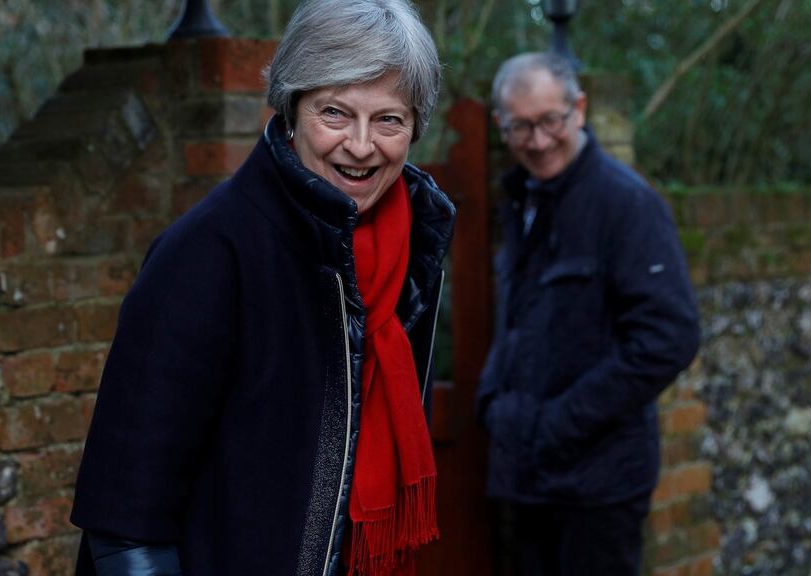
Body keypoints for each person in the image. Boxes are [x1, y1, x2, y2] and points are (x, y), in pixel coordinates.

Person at [69, 1, 454, 574]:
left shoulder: (408, 247)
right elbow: (126, 520)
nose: (361, 145)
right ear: (291, 107)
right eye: (335, 113)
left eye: (389, 120)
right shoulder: (206, 252)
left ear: (415, 128)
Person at [475, 52, 700, 576]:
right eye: (520, 127)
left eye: (549, 121)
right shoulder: (523, 199)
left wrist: (557, 423)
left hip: (601, 483)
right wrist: (492, 398)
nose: (537, 141)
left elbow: (670, 338)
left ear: (579, 108)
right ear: (499, 125)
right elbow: (518, 318)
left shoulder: (627, 204)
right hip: (530, 476)